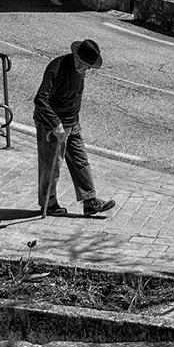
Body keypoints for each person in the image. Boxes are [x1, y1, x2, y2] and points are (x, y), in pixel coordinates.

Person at [33, 38, 115, 217]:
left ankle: (90, 201)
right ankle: (50, 204)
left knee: (80, 160)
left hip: (72, 122)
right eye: (85, 66)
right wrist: (56, 124)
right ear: (77, 59)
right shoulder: (57, 68)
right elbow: (40, 99)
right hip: (51, 125)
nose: (86, 71)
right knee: (51, 166)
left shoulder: (80, 70)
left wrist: (71, 122)